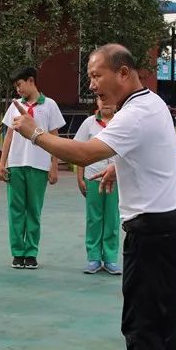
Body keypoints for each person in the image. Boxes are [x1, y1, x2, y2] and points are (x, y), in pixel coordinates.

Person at [11, 44, 176, 350]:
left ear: (123, 73)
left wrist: (34, 133)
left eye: (96, 75)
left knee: (143, 329)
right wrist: (118, 167)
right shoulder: (151, 102)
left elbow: (84, 152)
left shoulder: (134, 114)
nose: (91, 85)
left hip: (152, 235)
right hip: (172, 226)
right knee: (166, 324)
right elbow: (150, 152)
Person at [0, 66, 64, 270]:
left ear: (31, 81)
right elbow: (9, 135)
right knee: (16, 209)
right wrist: (3, 163)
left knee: (34, 210)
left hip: (39, 165)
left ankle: (31, 252)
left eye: (19, 85)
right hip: (17, 164)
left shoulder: (50, 105)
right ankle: (18, 252)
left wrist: (54, 165)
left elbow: (55, 137)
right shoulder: (15, 106)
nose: (17, 90)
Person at [74, 97, 121, 275]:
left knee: (112, 218)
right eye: (102, 99)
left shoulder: (121, 123)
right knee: (94, 218)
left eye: (110, 99)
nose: (107, 103)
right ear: (97, 101)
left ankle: (110, 258)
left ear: (117, 102)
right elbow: (79, 151)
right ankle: (93, 257)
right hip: (93, 177)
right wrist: (80, 178)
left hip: (115, 179)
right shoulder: (88, 124)